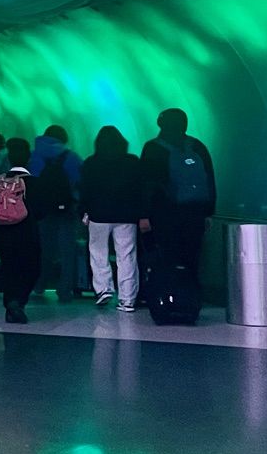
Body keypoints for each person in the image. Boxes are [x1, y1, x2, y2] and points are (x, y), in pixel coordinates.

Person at [140, 108, 217, 282]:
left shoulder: (153, 148)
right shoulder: (197, 146)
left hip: (164, 212)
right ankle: (191, 295)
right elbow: (210, 178)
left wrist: (143, 214)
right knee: (192, 254)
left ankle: (169, 294)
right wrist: (209, 211)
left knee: (168, 254)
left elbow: (146, 183)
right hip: (196, 210)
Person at [80, 125, 142, 312]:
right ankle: (127, 298)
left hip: (99, 215)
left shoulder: (91, 162)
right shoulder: (132, 161)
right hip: (126, 216)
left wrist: (83, 211)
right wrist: (142, 213)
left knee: (98, 253)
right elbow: (140, 189)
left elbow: (85, 190)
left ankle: (103, 289)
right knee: (127, 256)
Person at [0, 138, 42, 324]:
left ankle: (11, 303)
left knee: (9, 268)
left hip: (3, 235)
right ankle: (18, 301)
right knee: (30, 268)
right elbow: (41, 211)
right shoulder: (34, 183)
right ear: (28, 159)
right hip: (26, 235)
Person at [29, 125, 84, 301]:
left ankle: (39, 283)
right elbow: (79, 182)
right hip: (67, 210)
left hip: (41, 210)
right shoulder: (71, 157)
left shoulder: (34, 155)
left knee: (43, 249)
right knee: (67, 250)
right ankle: (64, 289)